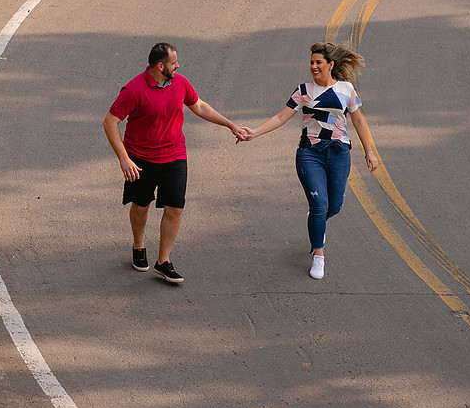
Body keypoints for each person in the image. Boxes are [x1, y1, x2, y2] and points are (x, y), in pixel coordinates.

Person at [104, 42, 245, 283]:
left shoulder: (180, 82)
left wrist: (230, 124)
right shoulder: (134, 90)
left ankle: (163, 261)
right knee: (141, 205)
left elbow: (198, 105)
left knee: (175, 208)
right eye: (173, 63)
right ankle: (139, 246)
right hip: (141, 158)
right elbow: (110, 122)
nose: (177, 66)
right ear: (160, 66)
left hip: (174, 155)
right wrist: (124, 158)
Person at [239, 42, 379, 280]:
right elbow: (281, 117)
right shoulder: (303, 90)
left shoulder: (346, 89)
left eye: (318, 63)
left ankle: (317, 221)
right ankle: (318, 254)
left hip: (339, 153)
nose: (313, 67)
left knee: (333, 207)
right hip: (309, 154)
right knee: (319, 205)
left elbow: (358, 122)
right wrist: (254, 132)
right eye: (311, 62)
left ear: (330, 65)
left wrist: (370, 152)